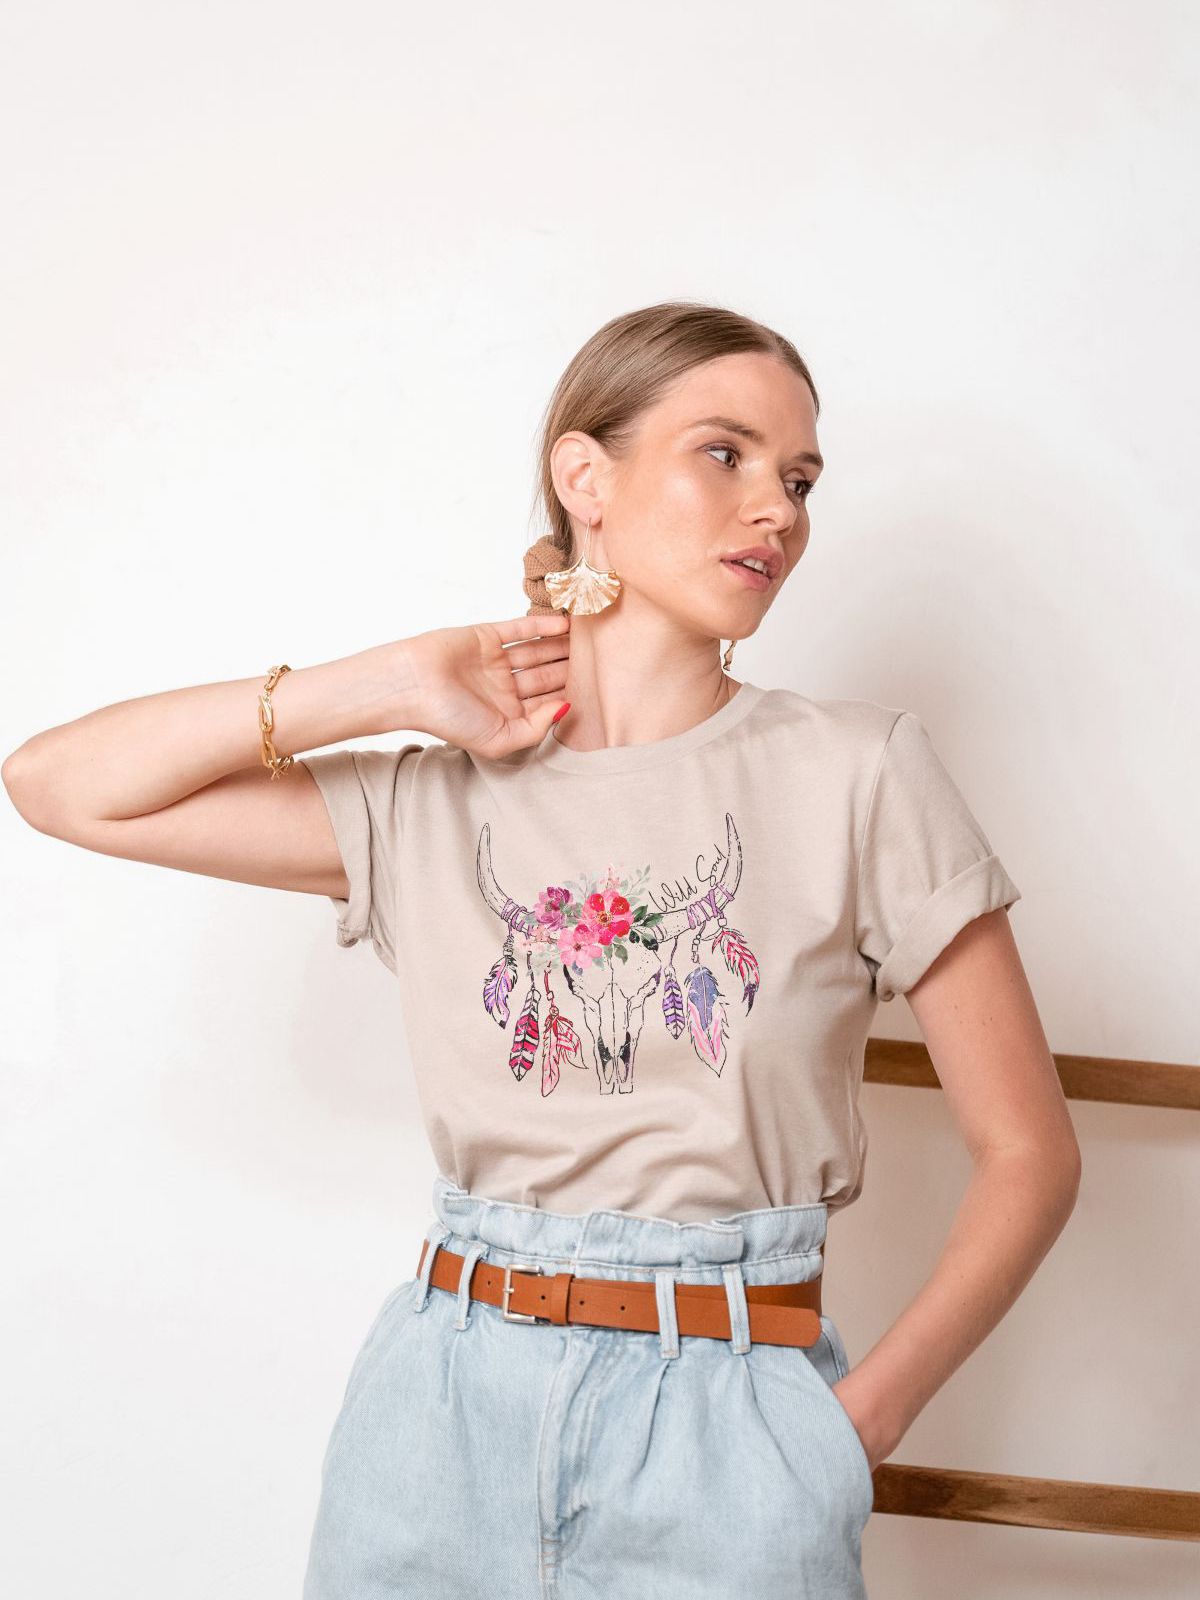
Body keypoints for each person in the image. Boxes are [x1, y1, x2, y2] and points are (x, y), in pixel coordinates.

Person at [2, 300, 1081, 1599]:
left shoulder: (858, 773)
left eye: (799, 479)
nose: (779, 512)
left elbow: (1030, 1152)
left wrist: (852, 1429)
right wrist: (391, 682)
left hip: (735, 1429)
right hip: (442, 1417)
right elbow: (63, 784)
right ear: (587, 478)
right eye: (726, 455)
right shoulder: (434, 796)